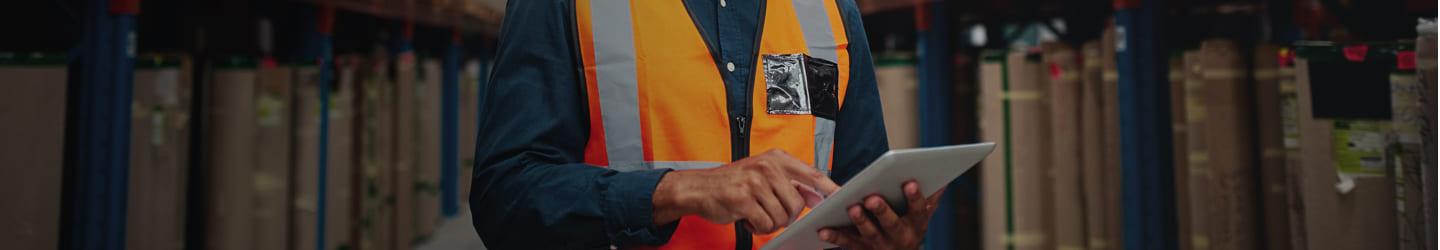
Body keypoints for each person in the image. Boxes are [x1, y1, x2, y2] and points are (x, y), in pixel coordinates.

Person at [469, 0, 944, 249]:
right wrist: (676, 192)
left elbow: (854, 185)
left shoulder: (825, 8)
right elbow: (505, 199)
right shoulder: (566, 4)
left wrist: (887, 237)